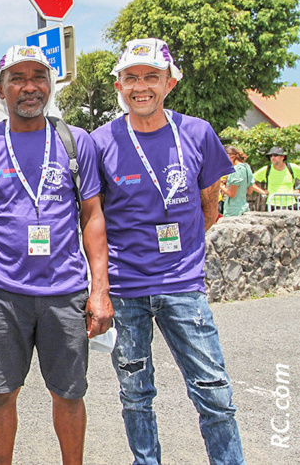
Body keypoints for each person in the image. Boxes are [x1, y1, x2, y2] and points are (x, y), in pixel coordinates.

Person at [91, 38, 245, 464]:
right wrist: (99, 289)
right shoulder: (99, 142)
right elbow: (93, 219)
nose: (141, 87)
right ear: (118, 85)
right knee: (136, 395)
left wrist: (182, 250)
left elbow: (209, 205)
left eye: (151, 77)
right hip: (124, 290)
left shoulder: (197, 133)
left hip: (183, 285)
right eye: (131, 78)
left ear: (169, 83)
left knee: (214, 392)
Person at [0, 45, 112, 465]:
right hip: (2, 294)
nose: (30, 87)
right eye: (18, 79)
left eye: (38, 77)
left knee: (68, 394)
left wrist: (100, 290)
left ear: (50, 85)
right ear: (1, 89)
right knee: (1, 392)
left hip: (65, 294)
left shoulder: (74, 141)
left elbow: (92, 216)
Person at [220, 146, 263, 216]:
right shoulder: (246, 167)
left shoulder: (236, 170)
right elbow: (250, 190)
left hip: (233, 210)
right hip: (244, 207)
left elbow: (232, 194)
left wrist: (220, 185)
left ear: (228, 156)